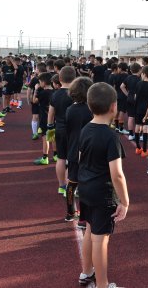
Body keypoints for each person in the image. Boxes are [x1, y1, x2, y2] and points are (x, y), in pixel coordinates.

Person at [78, 82, 129, 288]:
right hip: (102, 193)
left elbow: (81, 158)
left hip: (86, 189)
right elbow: (117, 174)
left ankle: (86, 272)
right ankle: (102, 284)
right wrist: (124, 201)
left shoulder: (85, 129)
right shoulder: (111, 137)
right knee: (101, 239)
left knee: (90, 230)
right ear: (113, 107)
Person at [64, 77, 94, 225]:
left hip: (73, 150)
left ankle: (70, 212)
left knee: (72, 183)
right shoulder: (91, 111)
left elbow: (68, 131)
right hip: (88, 151)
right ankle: (83, 217)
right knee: (85, 185)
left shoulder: (70, 110)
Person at [48, 66, 76, 196]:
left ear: (59, 79)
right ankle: (71, 185)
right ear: (75, 78)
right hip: (74, 130)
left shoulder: (55, 94)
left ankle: (61, 186)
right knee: (73, 159)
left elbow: (51, 113)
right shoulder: (76, 94)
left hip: (59, 129)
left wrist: (49, 127)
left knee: (61, 158)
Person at [32, 72, 54, 165]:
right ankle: (56, 155)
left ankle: (45, 157)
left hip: (45, 118)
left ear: (44, 82)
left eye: (40, 81)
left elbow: (34, 101)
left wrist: (36, 90)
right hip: (53, 117)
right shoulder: (55, 91)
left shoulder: (43, 92)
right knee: (53, 137)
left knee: (45, 138)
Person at [134, 66, 148, 156]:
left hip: (138, 108)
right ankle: (145, 150)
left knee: (138, 126)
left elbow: (135, 97)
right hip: (147, 110)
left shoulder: (138, 84)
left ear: (144, 74)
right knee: (146, 127)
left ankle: (138, 147)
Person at [121, 62, 141, 140]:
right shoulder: (140, 79)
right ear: (139, 70)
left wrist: (127, 94)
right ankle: (138, 135)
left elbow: (122, 86)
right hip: (138, 99)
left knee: (130, 117)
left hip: (129, 98)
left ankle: (130, 134)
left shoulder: (128, 78)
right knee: (138, 118)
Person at [27, 62, 47, 139]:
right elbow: (29, 89)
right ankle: (36, 133)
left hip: (41, 99)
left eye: (36, 69)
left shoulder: (42, 78)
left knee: (39, 116)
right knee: (37, 116)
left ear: (38, 70)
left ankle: (39, 130)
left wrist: (28, 99)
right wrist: (29, 99)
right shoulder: (35, 79)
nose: (35, 70)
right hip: (38, 99)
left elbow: (29, 89)